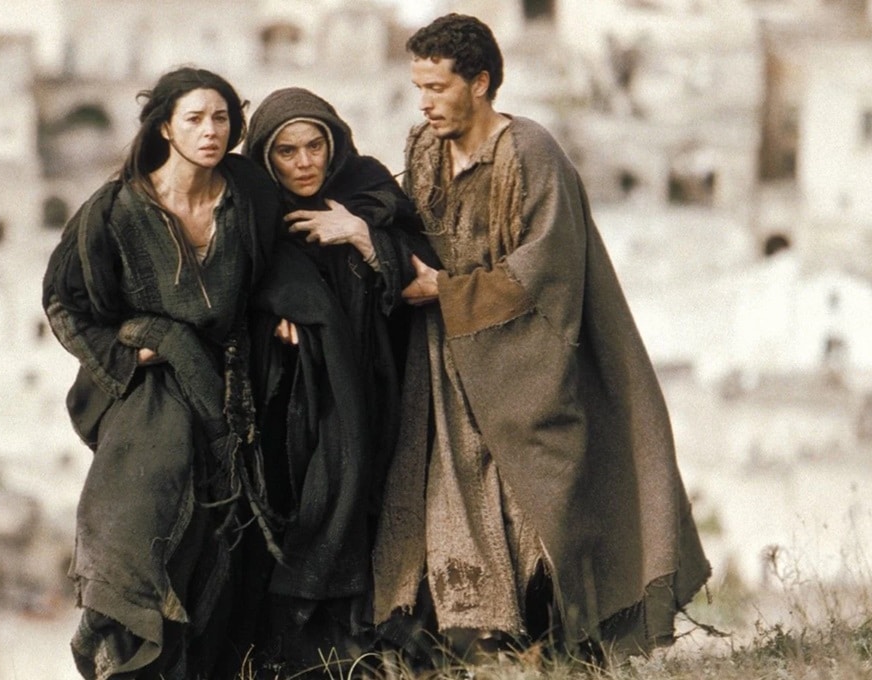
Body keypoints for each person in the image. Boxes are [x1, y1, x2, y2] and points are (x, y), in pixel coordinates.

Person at [371, 13, 712, 665]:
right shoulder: (423, 147)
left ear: (480, 83)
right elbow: (403, 220)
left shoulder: (529, 153)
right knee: (450, 506)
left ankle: (567, 653)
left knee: (544, 514)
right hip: (444, 372)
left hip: (526, 368)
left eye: (438, 88)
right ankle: (467, 652)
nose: (425, 103)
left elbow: (545, 270)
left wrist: (448, 291)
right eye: (419, 89)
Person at [41, 67, 284, 679]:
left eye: (221, 118)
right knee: (140, 532)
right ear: (166, 129)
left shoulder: (249, 196)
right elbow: (64, 301)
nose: (210, 131)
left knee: (223, 552)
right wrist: (136, 349)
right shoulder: (117, 210)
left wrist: (290, 311)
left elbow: (285, 263)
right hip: (150, 398)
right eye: (195, 119)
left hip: (234, 388)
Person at [239, 88, 438, 670]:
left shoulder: (369, 189)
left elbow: (424, 276)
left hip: (378, 384)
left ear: (335, 144)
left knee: (375, 511)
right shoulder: (253, 213)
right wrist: (276, 314)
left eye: (314, 146)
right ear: (266, 157)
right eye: (287, 152)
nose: (304, 163)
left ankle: (376, 658)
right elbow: (236, 289)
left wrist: (359, 233)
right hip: (294, 401)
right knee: (306, 514)